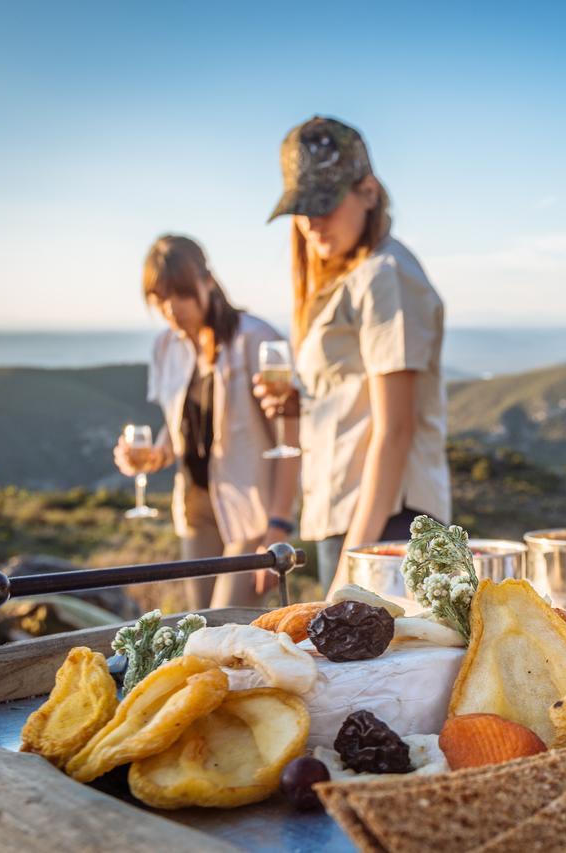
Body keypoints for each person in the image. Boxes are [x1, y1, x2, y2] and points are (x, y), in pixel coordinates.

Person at [257, 116, 451, 594]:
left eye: (323, 203)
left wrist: (354, 566)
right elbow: (355, 399)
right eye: (301, 208)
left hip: (384, 523)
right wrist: (301, 406)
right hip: (350, 511)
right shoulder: (355, 275)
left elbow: (395, 429)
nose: (311, 222)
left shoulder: (386, 275)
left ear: (368, 191)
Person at [114, 235, 301, 609]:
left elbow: (291, 436)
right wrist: (150, 456)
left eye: (180, 293)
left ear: (208, 281)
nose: (170, 308)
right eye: (158, 297)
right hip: (195, 508)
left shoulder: (254, 338)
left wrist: (278, 526)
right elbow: (180, 428)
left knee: (228, 624)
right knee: (198, 625)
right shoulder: (166, 347)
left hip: (250, 515)